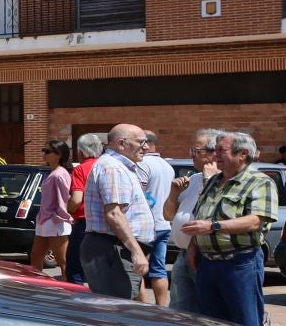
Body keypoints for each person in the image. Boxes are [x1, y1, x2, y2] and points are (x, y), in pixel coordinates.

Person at [181, 130, 276, 326]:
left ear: (242, 153)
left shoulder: (260, 182)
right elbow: (201, 215)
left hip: (240, 264)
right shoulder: (214, 181)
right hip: (207, 264)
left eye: (221, 150)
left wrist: (213, 226)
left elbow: (256, 221)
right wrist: (193, 247)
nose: (215, 155)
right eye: (214, 150)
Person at [78, 124, 155, 301]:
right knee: (117, 310)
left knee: (121, 306)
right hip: (113, 249)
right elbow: (114, 214)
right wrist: (136, 251)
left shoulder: (119, 166)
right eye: (141, 142)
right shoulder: (112, 168)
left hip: (115, 248)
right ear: (122, 144)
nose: (147, 147)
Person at [163, 129, 221, 314]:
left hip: (206, 255)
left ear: (214, 153)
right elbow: (168, 215)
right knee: (180, 311)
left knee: (208, 310)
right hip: (183, 254)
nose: (192, 156)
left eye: (196, 151)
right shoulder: (193, 179)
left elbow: (215, 212)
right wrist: (174, 194)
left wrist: (208, 180)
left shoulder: (221, 180)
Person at [135, 130, 176, 308]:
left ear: (145, 143)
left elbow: (139, 194)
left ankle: (143, 309)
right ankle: (161, 307)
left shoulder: (142, 164)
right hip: (164, 223)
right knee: (159, 268)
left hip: (145, 226)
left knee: (136, 269)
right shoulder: (168, 165)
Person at [65, 133, 105, 285]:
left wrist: (68, 209)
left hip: (84, 223)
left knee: (75, 269)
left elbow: (76, 199)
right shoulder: (107, 166)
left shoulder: (81, 169)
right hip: (107, 223)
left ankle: (78, 303)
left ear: (81, 152)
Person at [30, 141, 73, 276]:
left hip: (55, 222)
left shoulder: (59, 174)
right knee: (36, 257)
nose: (44, 154)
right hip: (44, 221)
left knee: (62, 261)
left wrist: (58, 217)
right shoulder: (54, 173)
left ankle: (69, 291)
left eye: (47, 151)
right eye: (44, 150)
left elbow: (63, 199)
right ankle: (37, 287)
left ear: (58, 155)